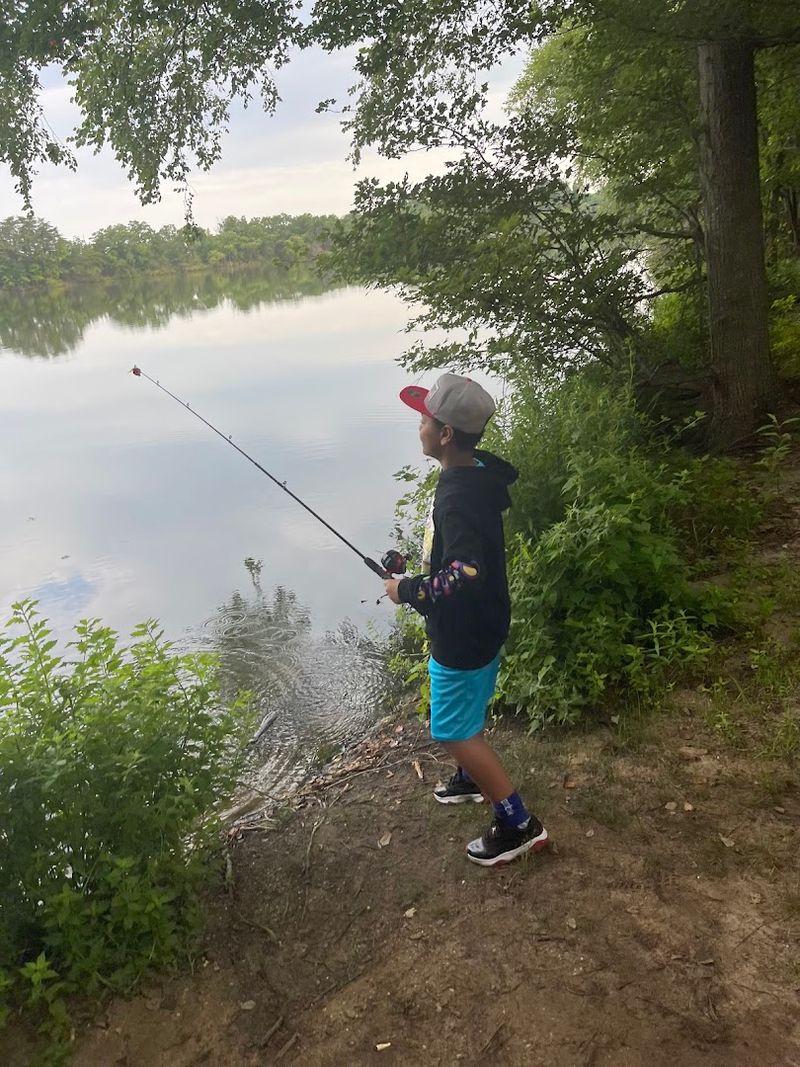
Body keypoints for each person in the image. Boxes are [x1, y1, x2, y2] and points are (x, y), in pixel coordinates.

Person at [383, 372, 549, 866]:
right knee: (462, 710)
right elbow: (458, 554)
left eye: (424, 421)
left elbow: (465, 572)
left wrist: (408, 590)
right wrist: (417, 568)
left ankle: (518, 824)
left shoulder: (456, 494)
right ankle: (470, 777)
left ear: (446, 434)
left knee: (452, 730)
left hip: (464, 633)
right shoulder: (475, 474)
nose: (418, 427)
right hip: (483, 622)